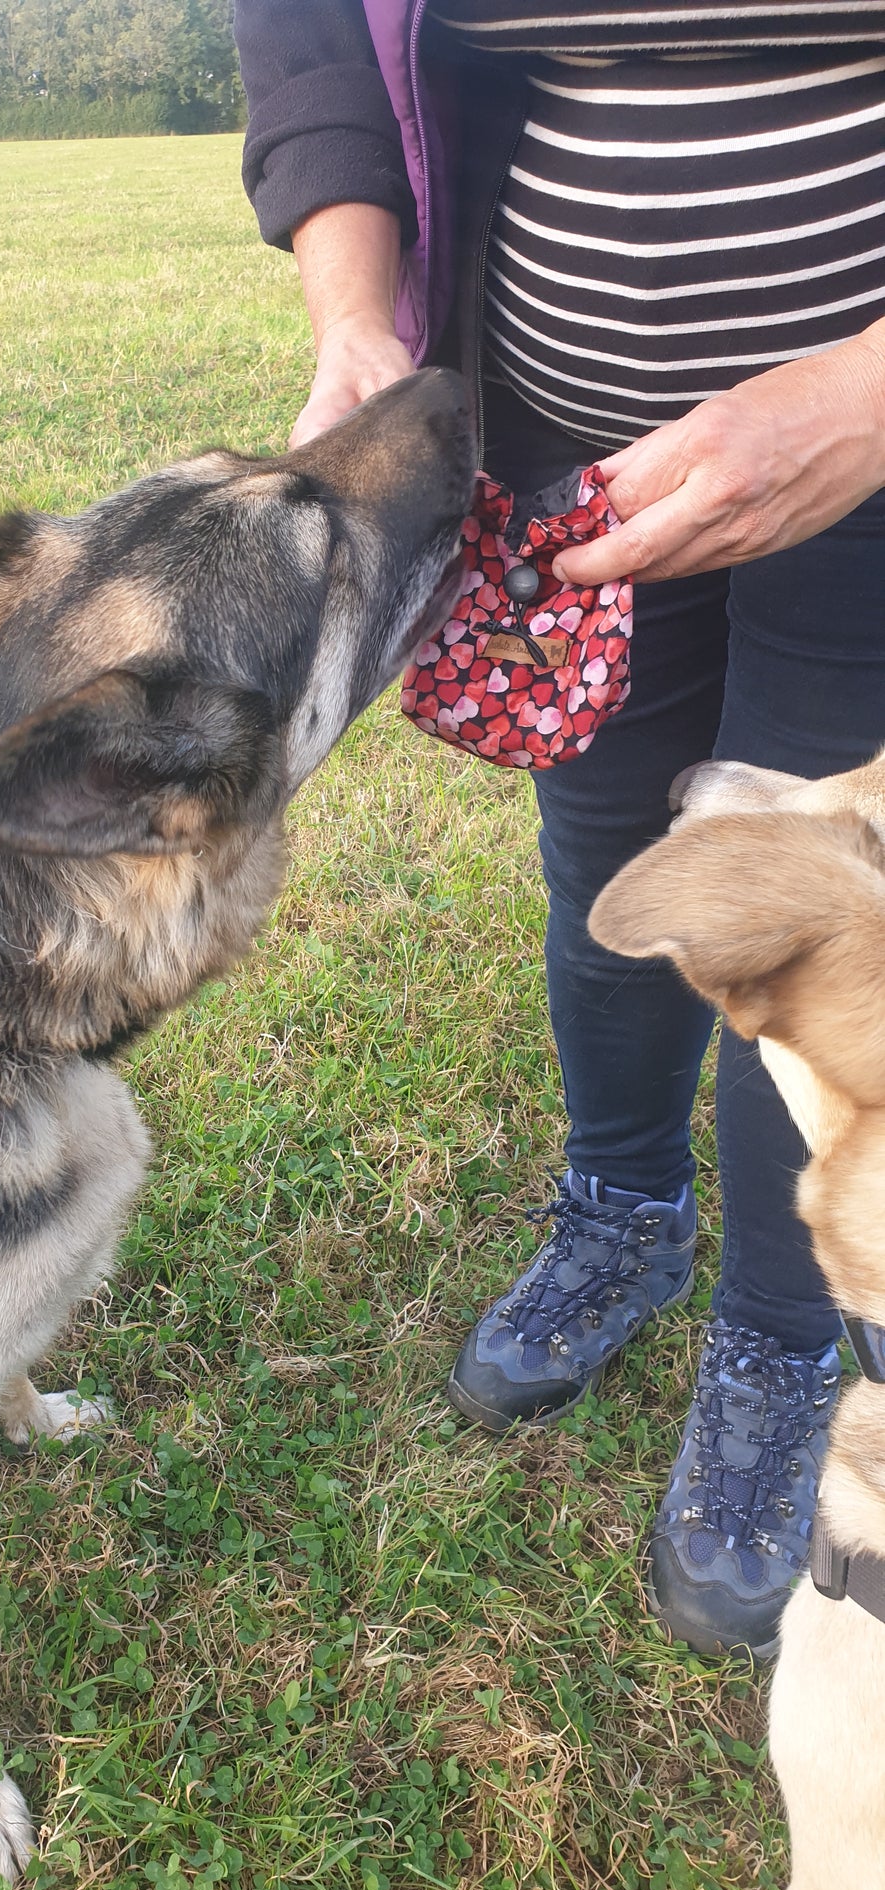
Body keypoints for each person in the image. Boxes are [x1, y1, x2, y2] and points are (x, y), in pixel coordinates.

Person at [234, 0, 885, 1660]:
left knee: (800, 923)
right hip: (568, 447)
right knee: (609, 872)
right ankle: (618, 1211)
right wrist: (355, 313)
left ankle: (774, 1335)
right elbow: (312, 39)